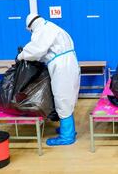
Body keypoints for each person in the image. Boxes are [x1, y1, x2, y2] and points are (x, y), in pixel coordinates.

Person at [17, 13, 80, 146]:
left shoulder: (42, 30)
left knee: (62, 97)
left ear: (31, 26)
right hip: (69, 62)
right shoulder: (52, 27)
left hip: (61, 66)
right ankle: (67, 129)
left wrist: (21, 56)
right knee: (67, 96)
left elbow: (36, 50)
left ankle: (67, 136)